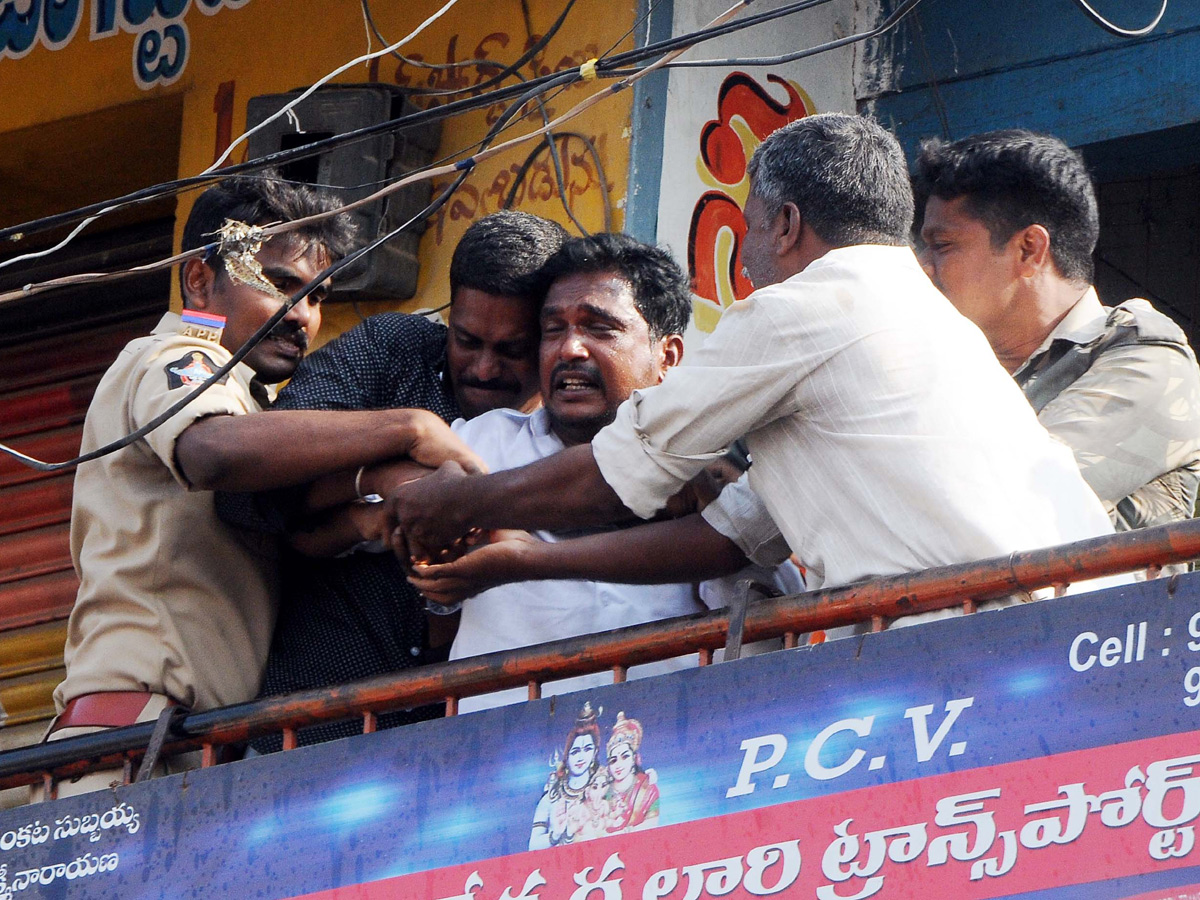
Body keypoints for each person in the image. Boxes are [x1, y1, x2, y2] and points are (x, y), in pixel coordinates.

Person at [389, 114, 1117, 619]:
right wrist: (523, 562)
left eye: (748, 230)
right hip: (1065, 631)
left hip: (967, 635)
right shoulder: (928, 323)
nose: (743, 261)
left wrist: (462, 504)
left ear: (787, 225)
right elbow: (731, 535)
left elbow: (615, 475)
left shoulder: (808, 306)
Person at [50, 176, 479, 796]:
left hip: (200, 750)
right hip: (132, 741)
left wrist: (364, 514)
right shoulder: (172, 358)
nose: (303, 315)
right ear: (200, 279)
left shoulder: (260, 408)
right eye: (279, 285)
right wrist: (408, 427)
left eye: (317, 296)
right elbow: (210, 453)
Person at [215, 210, 568, 751]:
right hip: (313, 733)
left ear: (548, 336)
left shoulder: (579, 430)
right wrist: (388, 466)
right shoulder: (392, 351)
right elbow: (247, 489)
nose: (484, 368)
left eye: (511, 350)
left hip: (488, 754)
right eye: (467, 341)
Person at [914, 130, 1200, 537]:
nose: (923, 267)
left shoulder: (1146, 354)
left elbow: (1007, 506)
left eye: (941, 245)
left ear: (1029, 249)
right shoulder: (948, 366)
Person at [531, 702, 603, 850]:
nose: (581, 757)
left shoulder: (601, 789)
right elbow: (533, 846)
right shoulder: (551, 798)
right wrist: (555, 835)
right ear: (566, 757)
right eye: (575, 751)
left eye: (587, 749)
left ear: (595, 752)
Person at [604, 712, 659, 834]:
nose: (618, 765)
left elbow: (652, 825)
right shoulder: (602, 792)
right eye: (613, 760)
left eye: (625, 757)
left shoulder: (648, 789)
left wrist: (625, 832)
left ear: (634, 759)